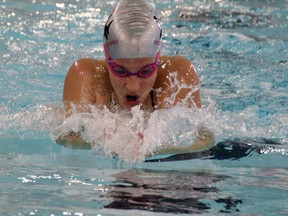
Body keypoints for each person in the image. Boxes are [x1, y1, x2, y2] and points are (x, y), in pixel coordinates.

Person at [58, 0, 214, 154]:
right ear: (107, 57)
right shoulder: (85, 75)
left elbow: (205, 139)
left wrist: (151, 149)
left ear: (158, 58)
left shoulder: (177, 75)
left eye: (146, 72)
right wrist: (104, 143)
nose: (133, 86)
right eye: (120, 71)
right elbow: (65, 138)